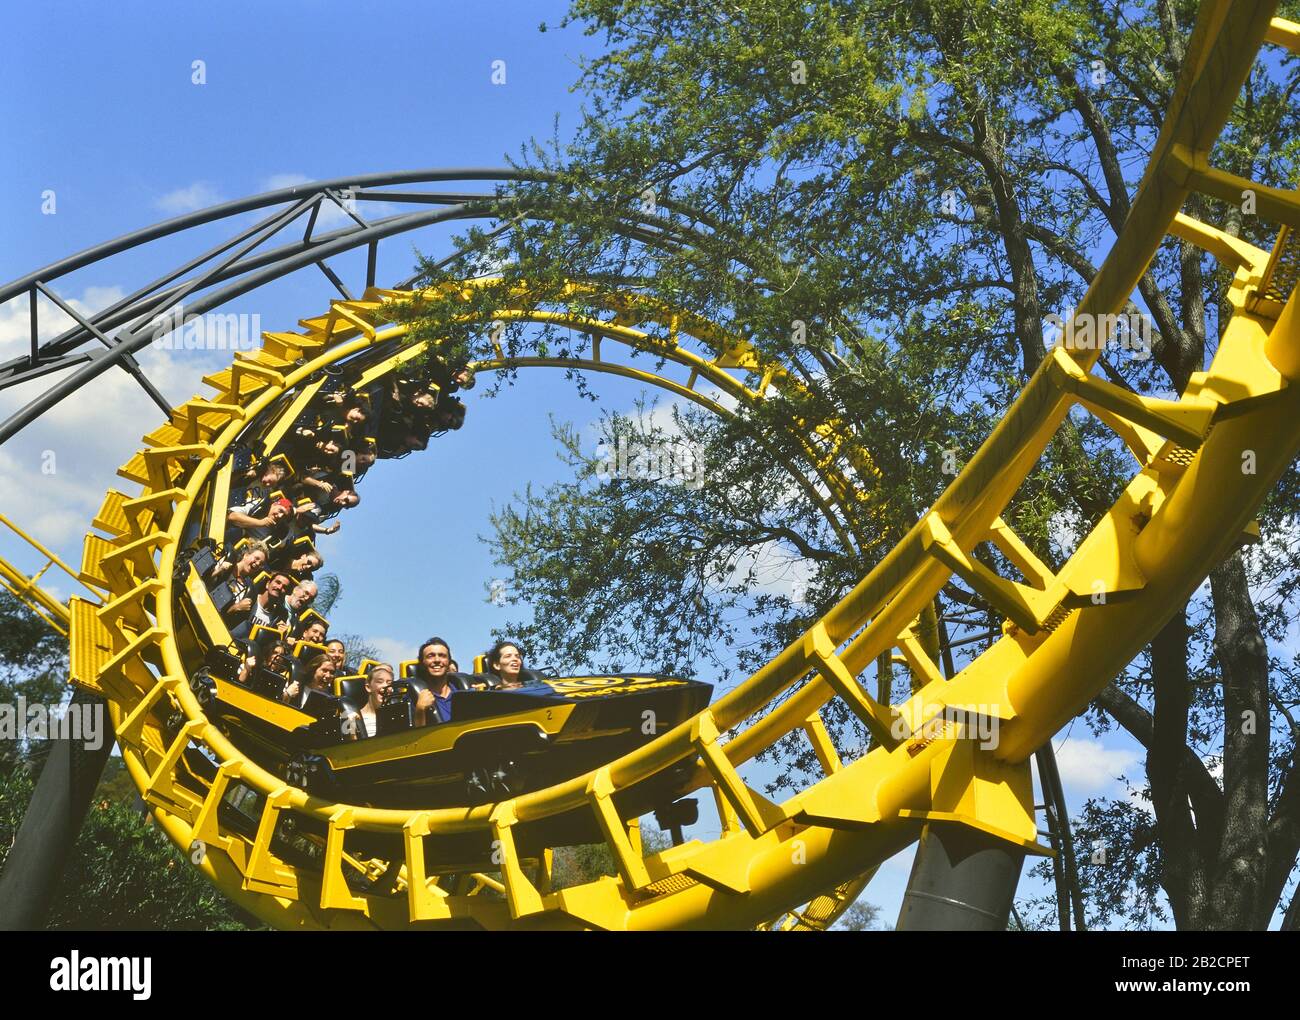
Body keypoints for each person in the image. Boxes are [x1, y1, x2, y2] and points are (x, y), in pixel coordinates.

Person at [346, 663, 394, 740]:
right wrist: (352, 731)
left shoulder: (396, 716)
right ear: (368, 687)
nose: (385, 686)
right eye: (380, 681)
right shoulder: (351, 716)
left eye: (389, 683)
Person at [412, 637, 456, 724]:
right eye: (430, 656)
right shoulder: (412, 697)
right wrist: (420, 710)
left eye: (442, 656)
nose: (437, 660)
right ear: (422, 662)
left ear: (449, 662)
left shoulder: (461, 691)